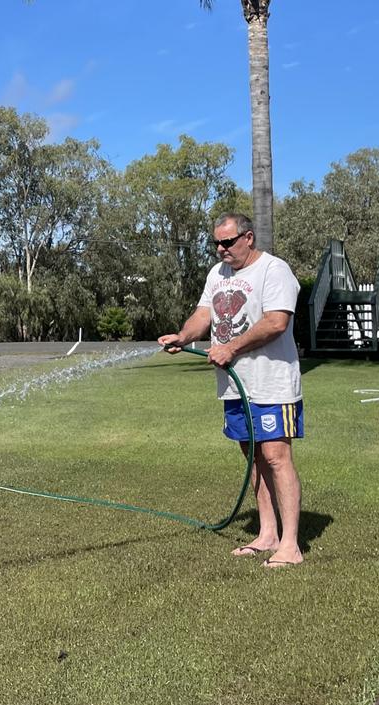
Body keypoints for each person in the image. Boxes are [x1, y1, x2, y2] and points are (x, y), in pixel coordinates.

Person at [158, 213, 305, 569]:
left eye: (228, 242)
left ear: (248, 237)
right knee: (253, 458)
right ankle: (267, 534)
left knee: (275, 457)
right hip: (235, 386)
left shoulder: (274, 271)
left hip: (272, 383)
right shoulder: (217, 274)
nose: (221, 249)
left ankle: (291, 545)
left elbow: (276, 322)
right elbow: (203, 314)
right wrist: (184, 335)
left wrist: (232, 348)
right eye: (216, 244)